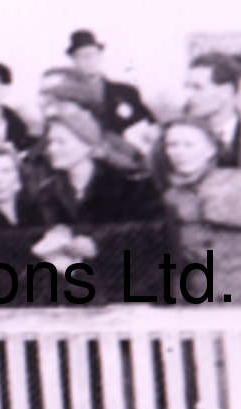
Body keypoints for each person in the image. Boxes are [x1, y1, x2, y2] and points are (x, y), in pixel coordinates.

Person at [28, 107, 163, 299]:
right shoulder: (47, 193)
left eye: (61, 142)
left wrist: (99, 244)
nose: (52, 149)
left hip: (127, 293)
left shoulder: (130, 186)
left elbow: (152, 235)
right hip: (68, 295)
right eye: (50, 142)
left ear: (88, 145)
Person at [159, 117, 241, 307]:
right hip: (202, 296)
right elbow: (176, 259)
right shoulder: (172, 196)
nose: (179, 152)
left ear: (211, 149)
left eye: (188, 145)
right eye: (172, 145)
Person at [158, 51, 241, 188]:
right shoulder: (170, 138)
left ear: (226, 91)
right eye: (187, 87)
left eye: (197, 87)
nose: (188, 95)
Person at [65, 28, 156, 140]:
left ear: (100, 56)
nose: (88, 60)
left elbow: (151, 125)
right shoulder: (66, 98)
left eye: (92, 54)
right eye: (81, 56)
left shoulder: (126, 92)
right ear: (73, 61)